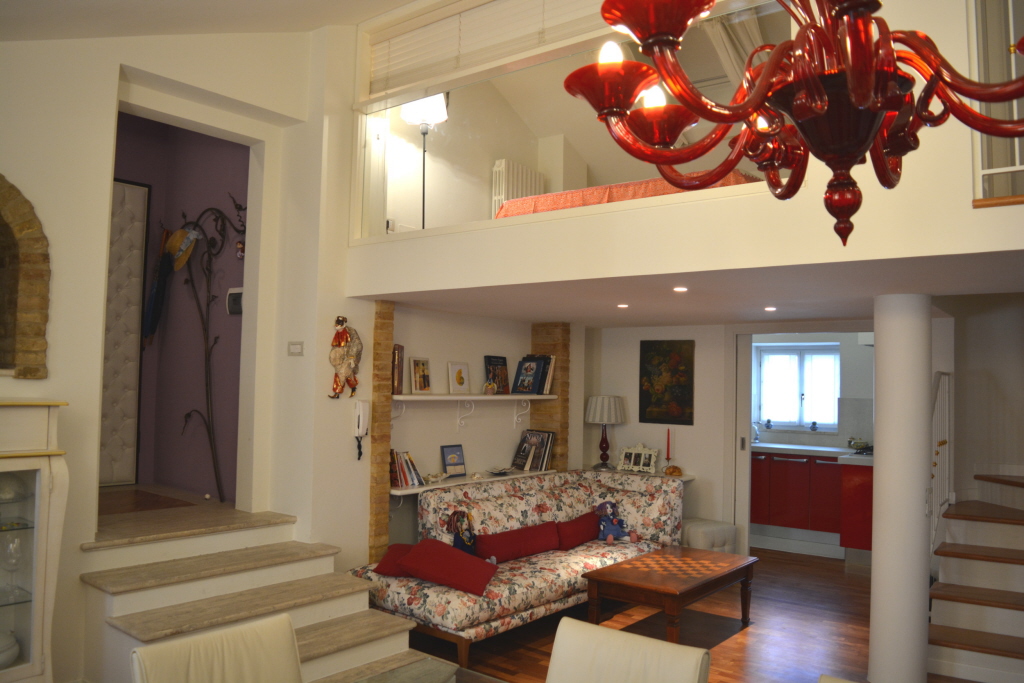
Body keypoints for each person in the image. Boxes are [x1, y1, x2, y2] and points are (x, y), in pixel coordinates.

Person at [329, 316, 363, 398]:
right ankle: (352, 388)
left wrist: (352, 357)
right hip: (340, 358)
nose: (337, 325)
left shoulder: (351, 332)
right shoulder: (338, 333)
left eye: (339, 323)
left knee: (342, 373)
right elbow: (337, 346)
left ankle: (338, 393)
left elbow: (358, 344)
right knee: (342, 373)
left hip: (349, 357)